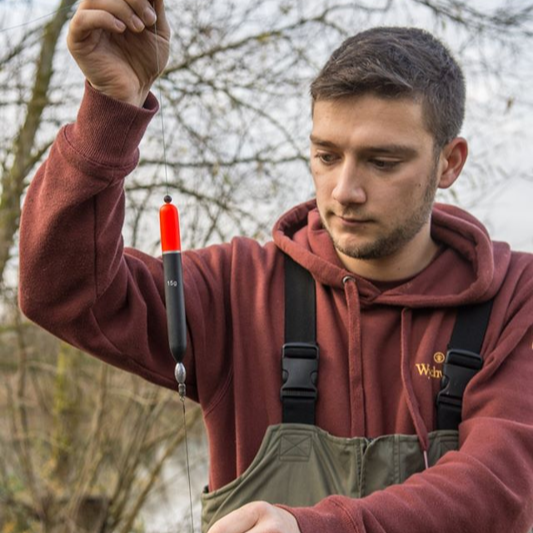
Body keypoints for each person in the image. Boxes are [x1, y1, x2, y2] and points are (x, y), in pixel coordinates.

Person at [18, 0, 533, 532]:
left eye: (382, 162)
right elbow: (60, 291)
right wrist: (109, 109)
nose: (345, 191)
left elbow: (501, 485)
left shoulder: (516, 298)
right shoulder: (237, 289)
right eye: (326, 156)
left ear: (449, 162)